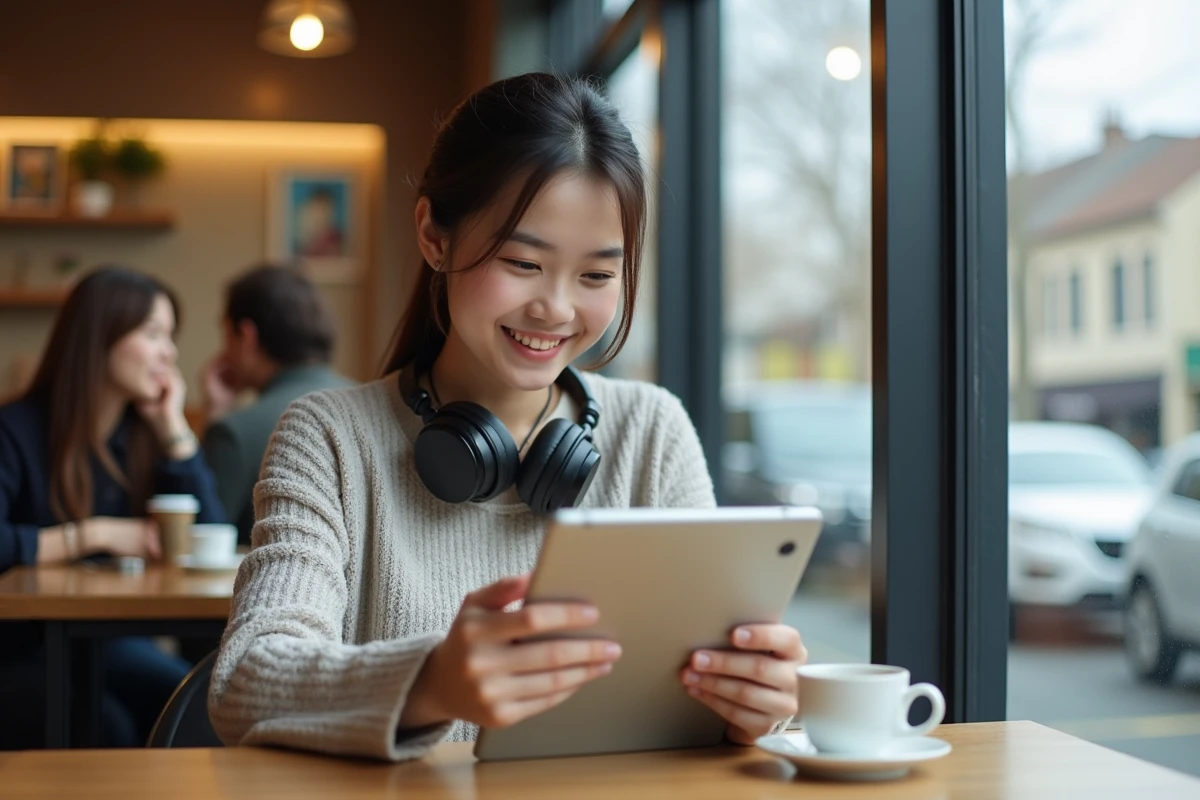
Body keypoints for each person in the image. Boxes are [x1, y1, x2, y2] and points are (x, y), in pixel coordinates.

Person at [209, 72, 807, 762]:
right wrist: (433, 683)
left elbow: (708, 698)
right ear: (435, 236)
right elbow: (246, 679)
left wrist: (756, 704)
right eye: (523, 262)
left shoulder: (652, 432)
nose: (555, 309)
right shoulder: (329, 437)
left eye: (595, 276)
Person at [0, 266, 226, 748]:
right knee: (111, 728)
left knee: (194, 702)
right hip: (17, 648)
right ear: (99, 337)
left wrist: (174, 432)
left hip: (108, 642)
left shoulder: (142, 435)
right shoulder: (14, 431)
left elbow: (209, 538)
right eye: (153, 334)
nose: (169, 353)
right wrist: (95, 533)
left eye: (171, 337)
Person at [200, 265, 352, 544]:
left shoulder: (235, 432)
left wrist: (215, 414)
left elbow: (201, 539)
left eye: (227, 334)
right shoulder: (370, 406)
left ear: (246, 337)